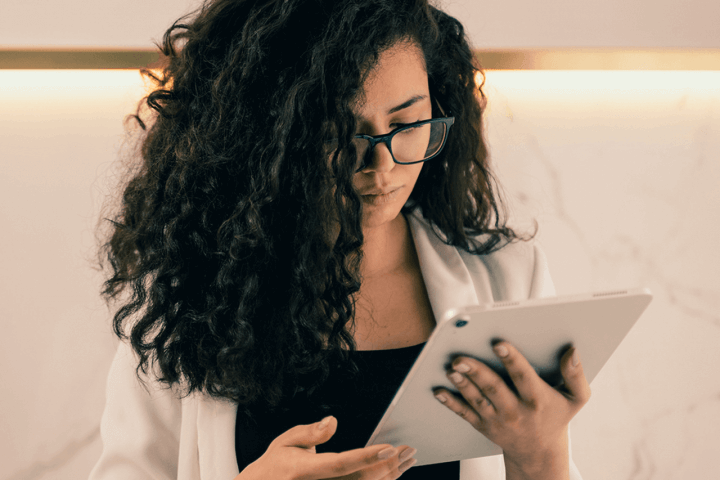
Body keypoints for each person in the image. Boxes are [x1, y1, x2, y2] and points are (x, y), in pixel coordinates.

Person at [90, 0, 590, 479]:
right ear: (264, 142)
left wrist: (541, 455)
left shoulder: (508, 276)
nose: (383, 167)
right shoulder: (181, 300)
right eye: (336, 136)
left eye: (407, 123)